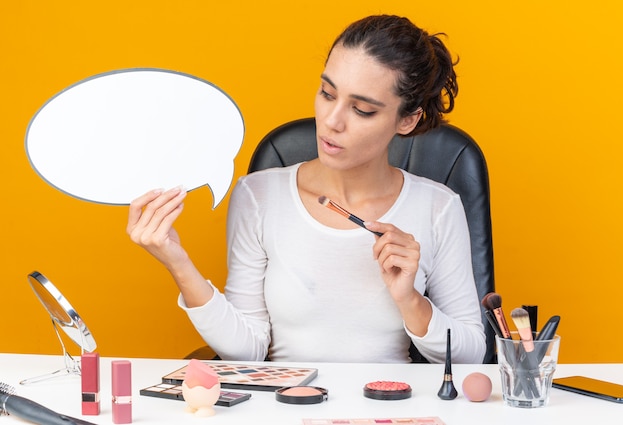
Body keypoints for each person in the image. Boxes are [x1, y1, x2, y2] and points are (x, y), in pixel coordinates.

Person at [127, 14, 486, 364]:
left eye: (361, 110)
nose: (331, 121)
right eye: (327, 93)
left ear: (407, 120)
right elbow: (247, 350)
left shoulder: (438, 207)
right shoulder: (258, 195)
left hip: (389, 406)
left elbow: (471, 353)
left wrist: (410, 300)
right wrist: (178, 262)